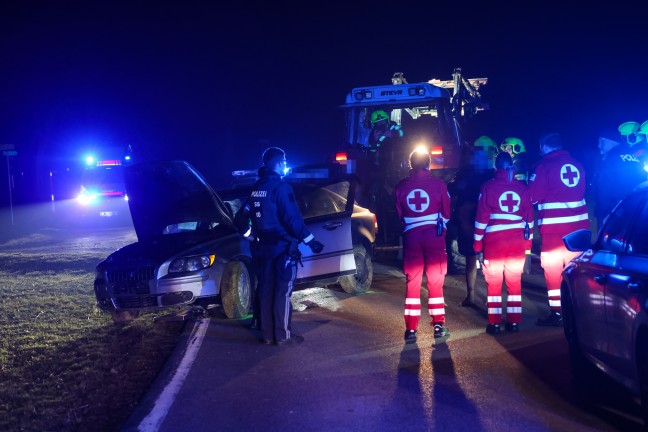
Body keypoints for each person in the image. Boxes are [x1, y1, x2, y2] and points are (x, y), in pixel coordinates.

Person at [240, 147, 324, 345]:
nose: (285, 165)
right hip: (283, 249)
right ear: (278, 163)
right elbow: (292, 220)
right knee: (282, 292)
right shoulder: (281, 187)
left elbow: (240, 218)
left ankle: (268, 336)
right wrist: (311, 241)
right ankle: (283, 336)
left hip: (263, 249)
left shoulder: (256, 188)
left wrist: (251, 236)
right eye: (284, 161)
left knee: (267, 289)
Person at [527, 133, 590, 326]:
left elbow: (532, 197)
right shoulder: (578, 165)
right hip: (579, 229)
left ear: (544, 147)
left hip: (554, 231)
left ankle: (557, 313)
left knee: (552, 270)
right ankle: (581, 310)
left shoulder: (543, 167)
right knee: (576, 270)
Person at [394, 149, 451, 342]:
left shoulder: (401, 186)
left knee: (413, 283)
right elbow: (447, 213)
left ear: (410, 165)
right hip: (434, 238)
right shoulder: (439, 185)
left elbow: (399, 216)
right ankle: (438, 325)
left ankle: (410, 330)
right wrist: (440, 230)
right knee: (435, 282)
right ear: (428, 165)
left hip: (411, 239)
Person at [473, 152, 533, 334]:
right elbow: (529, 223)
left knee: (494, 284)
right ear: (511, 167)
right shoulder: (523, 188)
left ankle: (495, 323)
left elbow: (480, 220)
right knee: (514, 283)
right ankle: (514, 323)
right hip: (517, 244)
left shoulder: (487, 187)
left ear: (495, 167)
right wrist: (528, 249)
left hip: (494, 245)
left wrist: (477, 247)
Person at [448, 145, 494, 307]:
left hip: (478, 220)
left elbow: (451, 189)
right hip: (474, 221)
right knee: (474, 258)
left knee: (483, 260)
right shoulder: (475, 174)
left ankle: (484, 295)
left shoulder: (480, 174)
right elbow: (451, 189)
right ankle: (473, 295)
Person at [592, 127, 646, 228]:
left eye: (601, 141)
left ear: (610, 141)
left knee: (605, 242)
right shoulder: (632, 156)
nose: (598, 145)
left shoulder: (609, 158)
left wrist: (603, 214)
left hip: (613, 212)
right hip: (635, 211)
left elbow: (604, 189)